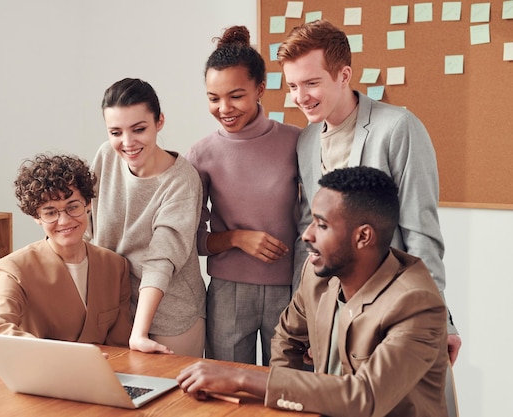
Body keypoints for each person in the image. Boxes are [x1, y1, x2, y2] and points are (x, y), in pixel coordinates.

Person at [177, 166, 449, 417]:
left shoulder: (416, 303)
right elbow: (287, 338)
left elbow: (365, 397)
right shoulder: (318, 274)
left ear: (363, 236)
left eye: (321, 225)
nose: (307, 235)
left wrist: (241, 378)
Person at [277, 19, 461, 364]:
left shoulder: (397, 128)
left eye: (312, 83)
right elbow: (311, 237)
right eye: (292, 86)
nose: (300, 97)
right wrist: (310, 321)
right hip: (333, 309)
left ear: (344, 75)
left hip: (393, 305)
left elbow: (422, 232)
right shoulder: (306, 140)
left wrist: (439, 319)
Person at [185, 26, 300, 366]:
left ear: (260, 88)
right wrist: (236, 238)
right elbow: (193, 239)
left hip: (292, 291)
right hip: (226, 293)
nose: (224, 108)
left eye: (236, 95)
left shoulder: (298, 142)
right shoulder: (201, 154)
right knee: (229, 398)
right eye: (213, 98)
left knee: (290, 390)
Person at [89, 78, 206, 357]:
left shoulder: (182, 180)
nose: (127, 143)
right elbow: (86, 223)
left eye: (139, 129)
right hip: (115, 306)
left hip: (171, 313)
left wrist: (139, 332)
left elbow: (161, 259)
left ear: (159, 122)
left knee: (174, 399)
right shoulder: (106, 157)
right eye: (115, 132)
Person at [0, 154, 132, 346]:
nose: (65, 221)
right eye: (50, 212)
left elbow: (121, 341)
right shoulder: (15, 267)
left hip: (108, 371)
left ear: (88, 205)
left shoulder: (116, 266)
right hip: (44, 372)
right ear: (36, 216)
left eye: (73, 207)